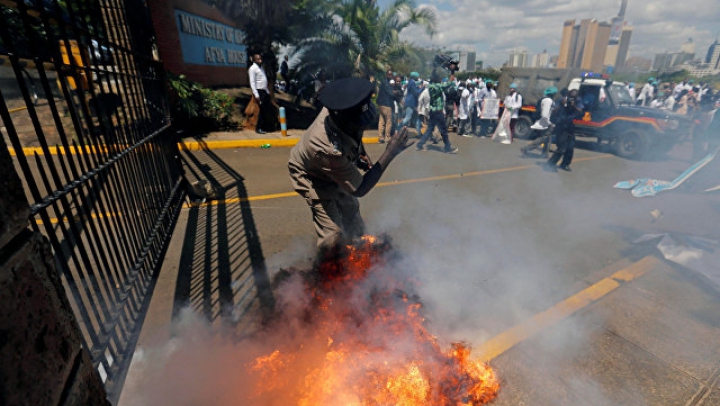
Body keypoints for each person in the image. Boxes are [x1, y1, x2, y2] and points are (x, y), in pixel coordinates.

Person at [288, 77, 413, 252]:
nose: (360, 128)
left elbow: (354, 133)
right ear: (341, 120)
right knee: (332, 235)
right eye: (357, 125)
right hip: (311, 174)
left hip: (334, 165)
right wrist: (390, 152)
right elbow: (360, 189)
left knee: (351, 211)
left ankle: (359, 256)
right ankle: (326, 271)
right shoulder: (326, 147)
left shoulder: (342, 107)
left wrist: (360, 152)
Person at [415, 70, 459, 154]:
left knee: (429, 129)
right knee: (444, 131)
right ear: (437, 79)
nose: (441, 80)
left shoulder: (430, 86)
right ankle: (447, 147)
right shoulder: (436, 87)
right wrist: (452, 72)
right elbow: (448, 84)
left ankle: (420, 145)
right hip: (438, 112)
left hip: (433, 112)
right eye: (439, 78)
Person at [544, 89, 582, 172]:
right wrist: (561, 105)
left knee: (570, 147)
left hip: (570, 126)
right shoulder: (562, 100)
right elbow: (553, 111)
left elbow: (580, 111)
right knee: (562, 148)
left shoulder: (578, 101)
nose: (572, 98)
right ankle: (550, 164)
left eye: (574, 97)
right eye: (571, 96)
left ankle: (565, 164)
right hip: (561, 126)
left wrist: (574, 105)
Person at [521, 86, 558, 158]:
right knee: (543, 138)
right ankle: (526, 148)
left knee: (548, 138)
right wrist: (550, 123)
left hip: (544, 122)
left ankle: (545, 154)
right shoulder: (548, 100)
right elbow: (544, 114)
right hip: (545, 122)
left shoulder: (546, 99)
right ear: (553, 94)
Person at [248, 53, 273, 134]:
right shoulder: (252, 69)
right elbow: (252, 82)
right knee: (262, 110)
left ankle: (264, 127)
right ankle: (258, 128)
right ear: (254, 60)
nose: (260, 60)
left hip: (264, 91)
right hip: (259, 92)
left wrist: (268, 92)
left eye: (261, 59)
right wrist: (256, 95)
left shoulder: (261, 67)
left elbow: (263, 80)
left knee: (266, 109)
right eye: (258, 59)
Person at [376, 69, 395, 143]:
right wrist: (394, 90)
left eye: (391, 74)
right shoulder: (387, 83)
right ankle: (387, 137)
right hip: (386, 104)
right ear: (386, 75)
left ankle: (380, 137)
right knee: (388, 122)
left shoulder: (383, 82)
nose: (390, 76)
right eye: (389, 74)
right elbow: (391, 94)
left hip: (381, 104)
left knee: (381, 121)